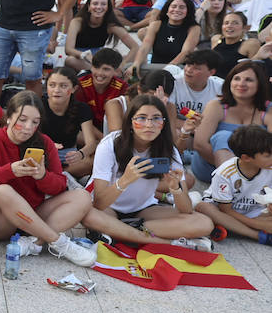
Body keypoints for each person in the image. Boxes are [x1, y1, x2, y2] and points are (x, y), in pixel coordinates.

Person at [0, 91, 98, 266]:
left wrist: (42, 176)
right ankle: (59, 242)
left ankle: (34, 243)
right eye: (22, 120)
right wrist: (9, 171)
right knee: (3, 191)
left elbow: (60, 186)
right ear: (8, 117)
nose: (28, 127)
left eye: (35, 122)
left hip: (31, 215)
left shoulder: (45, 143)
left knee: (82, 196)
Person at [84, 94, 215, 249]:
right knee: (88, 215)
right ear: (130, 121)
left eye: (156, 118)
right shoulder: (110, 144)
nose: (149, 124)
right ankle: (169, 242)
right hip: (107, 209)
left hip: (143, 211)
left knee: (204, 223)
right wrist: (124, 180)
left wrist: (175, 188)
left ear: (163, 123)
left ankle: (124, 232)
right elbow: (99, 203)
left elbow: (186, 210)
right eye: (141, 118)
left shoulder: (168, 150)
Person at [191, 61, 272, 184]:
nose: (241, 83)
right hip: (211, 164)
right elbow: (199, 144)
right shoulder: (216, 106)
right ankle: (234, 182)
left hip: (256, 167)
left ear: (259, 84)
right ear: (230, 82)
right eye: (237, 78)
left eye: (249, 80)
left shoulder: (268, 109)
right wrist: (238, 169)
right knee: (224, 136)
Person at [195, 126, 272, 245]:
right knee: (203, 207)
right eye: (268, 156)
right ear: (246, 158)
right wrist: (259, 225)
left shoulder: (268, 168)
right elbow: (226, 210)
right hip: (225, 212)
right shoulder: (226, 173)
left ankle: (232, 229)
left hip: (253, 212)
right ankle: (257, 235)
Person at [40, 68, 101, 178]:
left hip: (68, 156)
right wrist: (48, 145)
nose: (56, 90)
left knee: (92, 162)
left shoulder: (82, 108)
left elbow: (91, 143)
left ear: (74, 89)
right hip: (42, 152)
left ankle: (59, 175)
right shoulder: (38, 104)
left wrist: (80, 154)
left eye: (63, 86)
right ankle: (62, 176)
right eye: (52, 85)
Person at [64, 0, 139, 72]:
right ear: (89, 7)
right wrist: (83, 55)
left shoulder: (111, 25)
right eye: (95, 4)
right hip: (79, 57)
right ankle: (101, 71)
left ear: (108, 8)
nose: (99, 7)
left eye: (103, 4)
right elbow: (68, 49)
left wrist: (122, 65)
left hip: (100, 56)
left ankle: (103, 71)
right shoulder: (77, 22)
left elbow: (135, 47)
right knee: (70, 60)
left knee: (138, 57)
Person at [133, 0, 199, 73]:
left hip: (179, 69)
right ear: (167, 10)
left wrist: (169, 68)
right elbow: (144, 48)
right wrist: (136, 64)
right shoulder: (156, 25)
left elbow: (186, 52)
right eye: (173, 6)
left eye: (182, 7)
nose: (177, 10)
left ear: (188, 11)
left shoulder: (194, 28)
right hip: (155, 68)